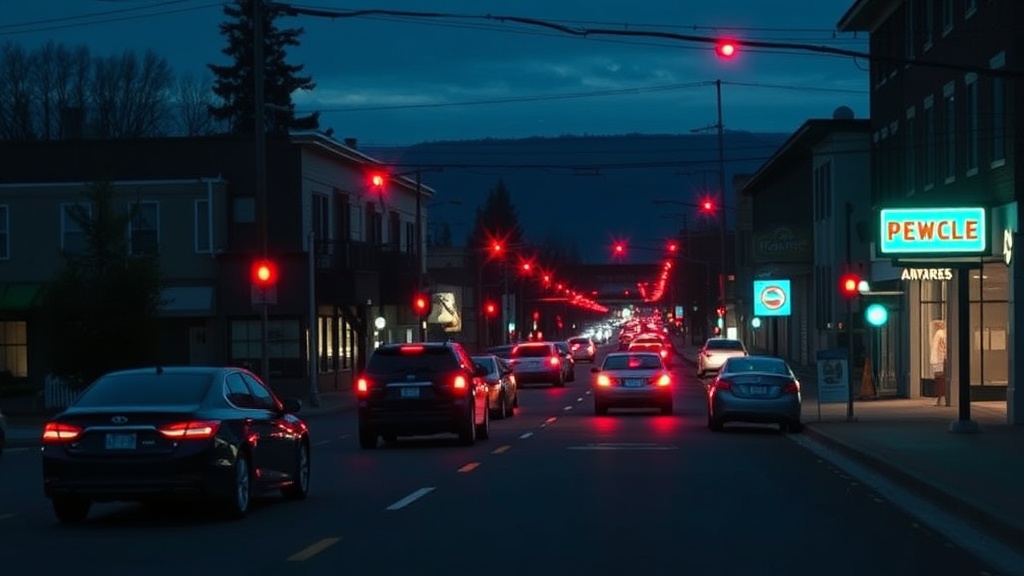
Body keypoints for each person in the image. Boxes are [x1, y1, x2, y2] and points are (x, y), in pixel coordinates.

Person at [930, 319, 947, 406]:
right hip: (939, 359)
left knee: (939, 380)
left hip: (938, 360)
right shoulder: (942, 333)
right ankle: (940, 398)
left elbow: (938, 348)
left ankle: (939, 398)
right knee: (940, 380)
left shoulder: (939, 333)